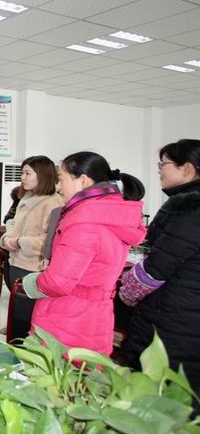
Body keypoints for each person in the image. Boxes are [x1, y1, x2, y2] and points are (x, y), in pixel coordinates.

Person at [22, 152, 145, 355]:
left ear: (83, 180)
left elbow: (58, 282)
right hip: (94, 313)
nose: (58, 187)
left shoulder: (84, 221)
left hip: (67, 316)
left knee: (59, 370)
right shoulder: (111, 213)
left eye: (61, 179)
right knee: (85, 370)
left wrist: (31, 282)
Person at [119, 139, 200, 404]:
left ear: (187, 169)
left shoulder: (188, 210)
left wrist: (127, 290)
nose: (159, 170)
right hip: (187, 312)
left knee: (158, 396)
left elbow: (156, 269)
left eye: (163, 164)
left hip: (174, 317)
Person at [1, 156, 63, 298]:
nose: (23, 177)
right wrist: (7, 239)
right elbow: (13, 224)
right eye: (22, 173)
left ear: (42, 175)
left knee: (27, 309)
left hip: (34, 267)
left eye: (28, 173)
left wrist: (20, 242)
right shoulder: (26, 198)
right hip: (15, 262)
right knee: (17, 306)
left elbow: (50, 239)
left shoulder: (53, 203)